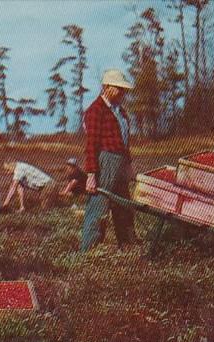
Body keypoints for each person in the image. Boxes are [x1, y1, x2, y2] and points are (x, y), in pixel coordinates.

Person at [80, 69, 137, 252]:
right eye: (118, 88)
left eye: (123, 89)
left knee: (124, 206)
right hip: (105, 161)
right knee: (99, 207)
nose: (122, 93)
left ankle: (127, 246)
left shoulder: (120, 111)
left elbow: (124, 141)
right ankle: (90, 250)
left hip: (120, 162)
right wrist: (91, 175)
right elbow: (91, 145)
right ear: (105, 87)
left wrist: (128, 165)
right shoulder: (95, 111)